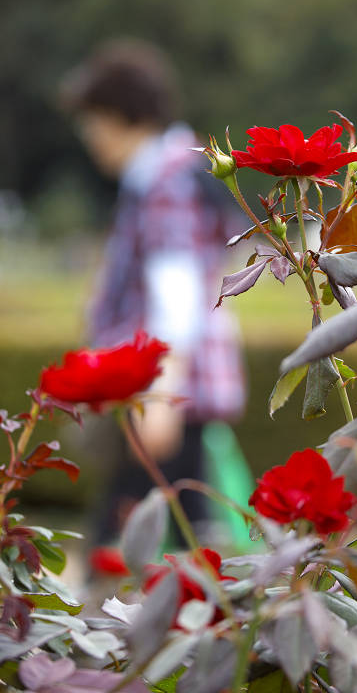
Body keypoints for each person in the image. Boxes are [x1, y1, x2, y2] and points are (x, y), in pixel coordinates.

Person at [60, 39, 248, 547]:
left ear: (123, 116)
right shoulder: (167, 175)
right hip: (166, 389)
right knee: (182, 546)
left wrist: (162, 397)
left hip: (162, 392)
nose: (89, 135)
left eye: (93, 120)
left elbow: (177, 293)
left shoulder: (165, 184)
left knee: (125, 549)